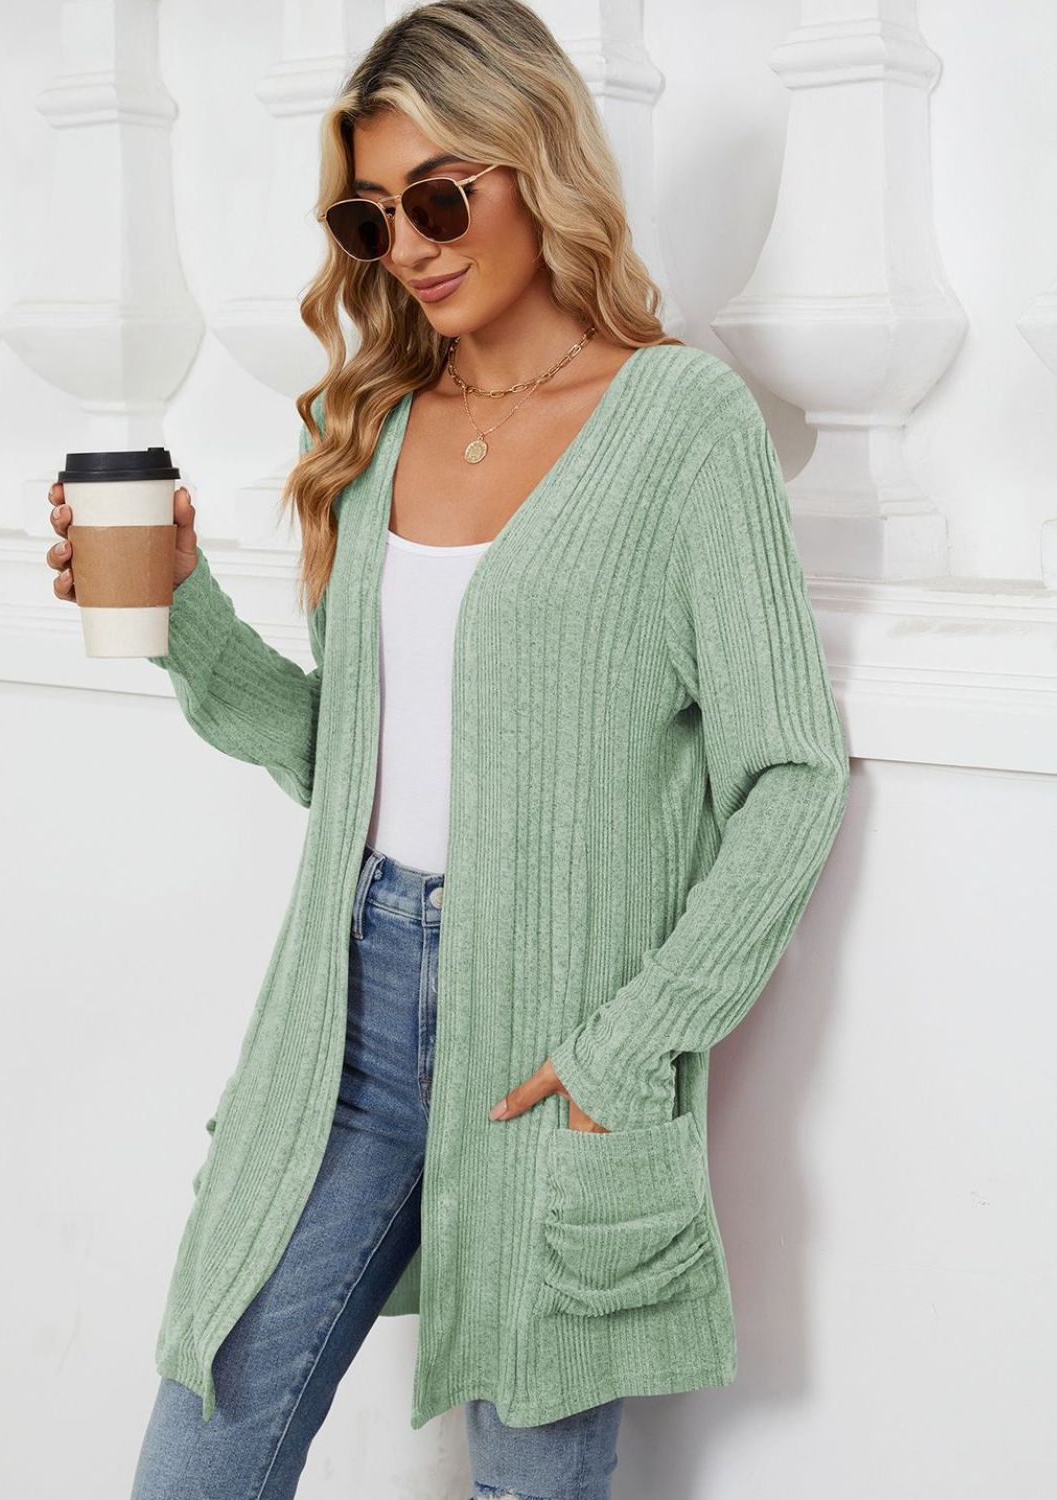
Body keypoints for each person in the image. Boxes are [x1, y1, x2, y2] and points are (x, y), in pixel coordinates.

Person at [46, 2, 850, 1496]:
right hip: (347, 1020)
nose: (406, 247)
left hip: (556, 1035)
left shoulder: (679, 423)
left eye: (438, 197)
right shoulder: (380, 429)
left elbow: (790, 773)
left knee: (528, 1483)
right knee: (200, 1452)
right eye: (371, 218)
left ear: (537, 164)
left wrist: (633, 1044)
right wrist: (178, 609)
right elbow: (342, 758)